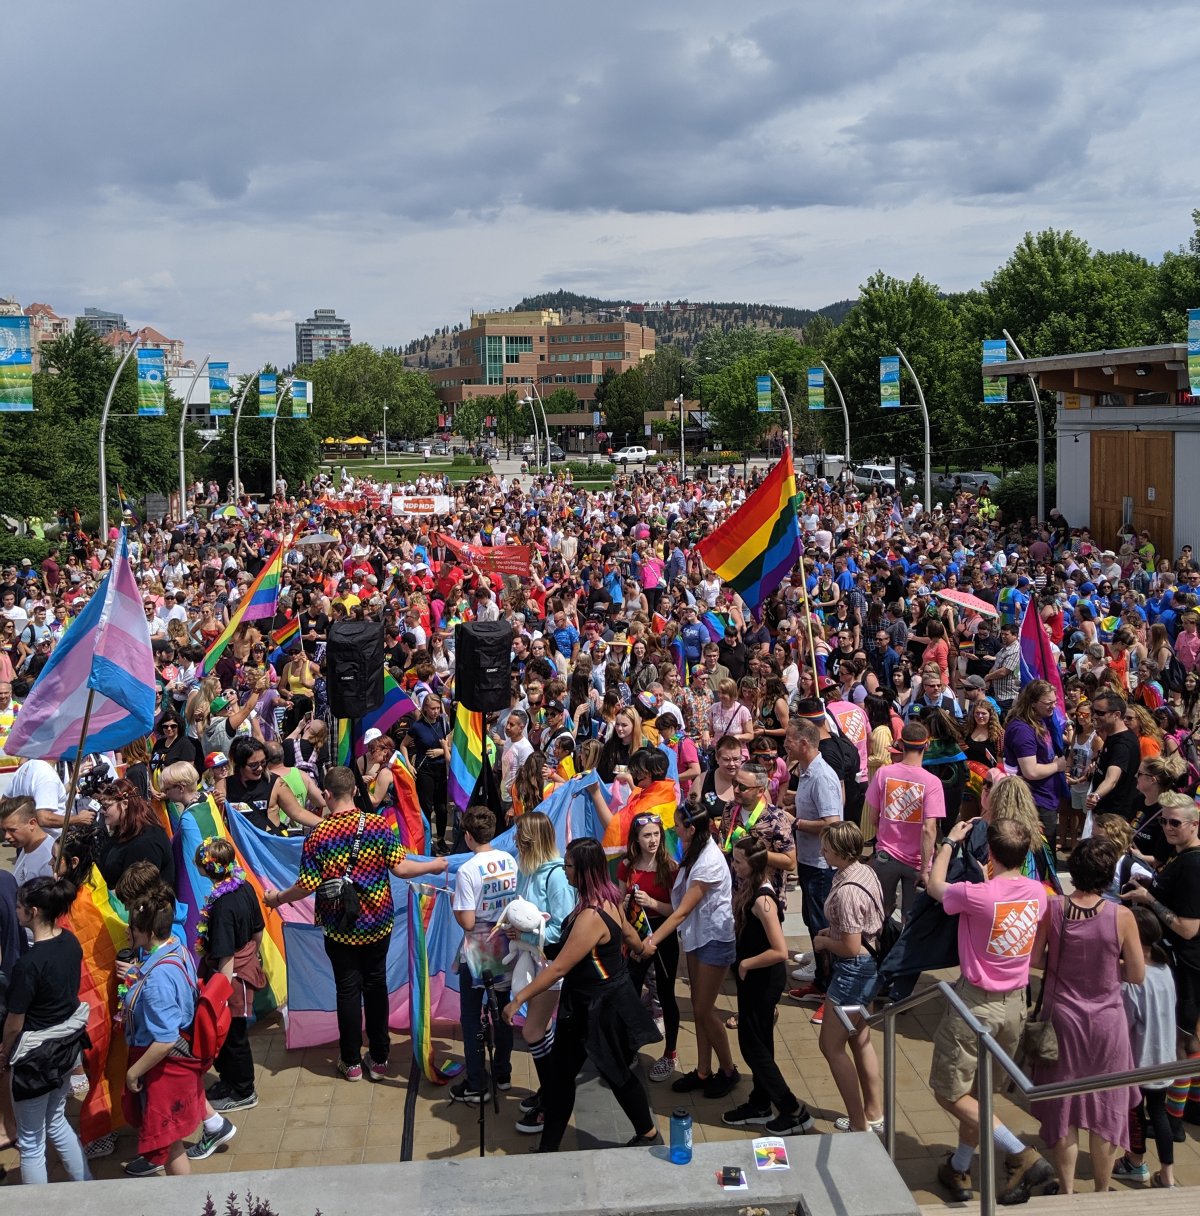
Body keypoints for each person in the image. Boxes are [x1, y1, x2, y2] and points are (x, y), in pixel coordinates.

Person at [263, 766, 447, 1081]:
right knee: (376, 986)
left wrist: (278, 898)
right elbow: (401, 869)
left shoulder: (318, 834)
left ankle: (350, 1063)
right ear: (353, 791)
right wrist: (435, 864)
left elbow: (307, 885)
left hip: (339, 925)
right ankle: (379, 1059)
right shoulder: (377, 824)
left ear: (328, 795)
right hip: (378, 922)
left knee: (347, 990)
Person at [925, 815, 1055, 1205]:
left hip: (976, 1006)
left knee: (949, 1093)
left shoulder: (977, 894)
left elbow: (933, 885)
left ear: (991, 854)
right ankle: (960, 1167)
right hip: (1015, 1004)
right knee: (979, 1095)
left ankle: (1021, 1153)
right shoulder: (1038, 892)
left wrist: (949, 841)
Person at [502, 837, 661, 1152]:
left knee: (615, 1074)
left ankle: (648, 1133)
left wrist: (519, 999)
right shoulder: (607, 899)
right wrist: (643, 948)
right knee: (564, 1079)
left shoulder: (590, 915)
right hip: (591, 1003)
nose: (564, 869)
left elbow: (559, 967)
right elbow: (628, 933)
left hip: (598, 1008)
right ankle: (550, 1147)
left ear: (585, 870)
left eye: (569, 865)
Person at [1029, 837, 1144, 1195]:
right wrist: (1108, 965)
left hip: (1063, 1019)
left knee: (1064, 1109)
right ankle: (1102, 1190)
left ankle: (1066, 1191)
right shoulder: (1121, 916)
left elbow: (1035, 960)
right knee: (1107, 1110)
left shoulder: (1054, 908)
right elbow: (1137, 974)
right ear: (1109, 875)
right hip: (1108, 1024)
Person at [120, 879, 217, 1176]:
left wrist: (133, 1072)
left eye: (133, 929)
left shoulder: (157, 981)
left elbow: (163, 1039)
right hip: (180, 1064)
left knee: (171, 1142)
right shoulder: (178, 948)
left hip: (163, 1068)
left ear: (147, 932)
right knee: (172, 1140)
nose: (128, 933)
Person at [643, 805, 739, 1099]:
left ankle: (728, 1070)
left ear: (692, 829)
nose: (673, 831)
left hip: (713, 940)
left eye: (677, 827)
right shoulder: (692, 848)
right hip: (697, 938)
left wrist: (652, 941)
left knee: (703, 1010)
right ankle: (702, 1070)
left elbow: (682, 911)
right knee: (699, 1009)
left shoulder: (709, 861)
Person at [0, 876, 91, 1186]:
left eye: (19, 906)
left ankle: (36, 1207)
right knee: (56, 1120)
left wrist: (4, 1053)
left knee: (30, 1141)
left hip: (35, 1061)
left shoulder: (28, 965)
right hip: (65, 1049)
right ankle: (86, 1184)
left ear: (34, 911)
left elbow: (14, 1023)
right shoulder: (70, 941)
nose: (15, 911)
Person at [720, 835, 813, 1135]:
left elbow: (780, 951)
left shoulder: (763, 899)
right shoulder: (752, 887)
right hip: (754, 979)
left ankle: (792, 1109)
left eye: (737, 861)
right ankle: (760, 1102)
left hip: (763, 980)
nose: (733, 865)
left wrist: (746, 963)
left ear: (753, 864)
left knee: (751, 1046)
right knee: (760, 1041)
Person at [814, 820, 885, 1134]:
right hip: (870, 967)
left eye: (826, 848)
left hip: (852, 974)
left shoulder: (845, 893)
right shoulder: (864, 870)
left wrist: (824, 941)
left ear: (841, 853)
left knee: (830, 1046)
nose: (822, 851)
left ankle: (859, 1125)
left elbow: (851, 947)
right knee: (860, 1038)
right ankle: (874, 1111)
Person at [510, 811, 576, 1135]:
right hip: (534, 963)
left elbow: (563, 931)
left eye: (518, 838)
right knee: (541, 1031)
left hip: (551, 968)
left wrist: (521, 936)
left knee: (532, 1032)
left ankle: (553, 1100)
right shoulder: (528, 869)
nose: (514, 843)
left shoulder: (557, 877)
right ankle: (550, 1089)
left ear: (530, 841)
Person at [450, 805, 519, 1104]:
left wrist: (455, 902)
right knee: (503, 1011)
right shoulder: (509, 859)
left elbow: (466, 921)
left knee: (470, 1016)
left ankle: (477, 1083)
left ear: (467, 835)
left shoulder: (466, 870)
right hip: (507, 946)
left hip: (479, 951)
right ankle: (503, 1073)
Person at [193, 837, 265, 1114]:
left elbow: (226, 956)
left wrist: (217, 996)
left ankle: (244, 1091)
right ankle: (228, 1081)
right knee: (227, 1037)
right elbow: (258, 930)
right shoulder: (244, 886)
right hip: (239, 967)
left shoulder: (222, 906)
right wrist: (252, 956)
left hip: (231, 977)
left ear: (207, 870)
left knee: (233, 1037)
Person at [1114, 906, 1180, 1188]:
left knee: (1136, 1114)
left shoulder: (1134, 980)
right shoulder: (1165, 968)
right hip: (1164, 1056)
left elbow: (1127, 1022)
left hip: (1140, 1059)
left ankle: (1135, 1162)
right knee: (1160, 1113)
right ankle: (1168, 1174)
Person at [618, 812, 681, 1084]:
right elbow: (620, 903)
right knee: (629, 992)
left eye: (657, 834)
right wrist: (628, 937)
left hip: (664, 934)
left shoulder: (671, 868)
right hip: (636, 935)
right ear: (636, 839)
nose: (653, 840)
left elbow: (677, 910)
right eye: (647, 835)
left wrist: (652, 904)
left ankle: (670, 1053)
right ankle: (629, 1047)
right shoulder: (627, 866)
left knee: (666, 994)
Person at [785, 718, 842, 1010]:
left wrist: (795, 821)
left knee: (823, 928)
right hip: (809, 862)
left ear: (804, 744)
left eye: (789, 740)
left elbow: (832, 823)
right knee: (812, 922)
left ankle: (830, 991)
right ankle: (821, 982)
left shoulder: (821, 776)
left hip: (821, 866)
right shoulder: (807, 772)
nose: (786, 745)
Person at [866, 721, 945, 921]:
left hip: (885, 856)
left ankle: (881, 951)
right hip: (917, 863)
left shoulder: (884, 773)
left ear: (900, 744)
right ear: (926, 745)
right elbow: (929, 830)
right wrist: (926, 869)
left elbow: (872, 817)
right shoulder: (932, 782)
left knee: (879, 915)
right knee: (911, 920)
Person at [1002, 680, 1070, 846]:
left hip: (1047, 798)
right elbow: (1030, 771)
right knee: (1040, 856)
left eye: (1055, 702)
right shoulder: (1022, 730)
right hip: (1034, 803)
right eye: (1048, 703)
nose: (1053, 706)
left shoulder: (1040, 720)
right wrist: (1057, 766)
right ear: (1032, 703)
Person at [94, 779, 175, 891]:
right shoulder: (123, 830)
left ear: (125, 804)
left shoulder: (145, 842)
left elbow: (139, 890)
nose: (102, 811)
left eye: (106, 807)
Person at [403, 692, 451, 851]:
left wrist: (441, 751)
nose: (436, 711)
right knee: (426, 807)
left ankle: (441, 839)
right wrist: (409, 765)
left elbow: (449, 747)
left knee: (442, 808)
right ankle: (427, 839)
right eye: (432, 708)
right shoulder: (417, 726)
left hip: (441, 769)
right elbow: (403, 745)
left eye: (438, 708)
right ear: (425, 709)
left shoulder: (444, 723)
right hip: (425, 771)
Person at [1086, 692, 1141, 821]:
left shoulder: (1122, 744)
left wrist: (1096, 796)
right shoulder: (1113, 735)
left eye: (1100, 713)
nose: (1094, 716)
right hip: (1105, 812)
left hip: (1113, 816)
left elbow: (1112, 779)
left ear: (1116, 715)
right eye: (1094, 711)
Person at [0, 797, 55, 887]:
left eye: (12, 830)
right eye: (4, 830)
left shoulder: (49, 858)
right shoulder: (27, 846)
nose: (7, 836)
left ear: (32, 823)